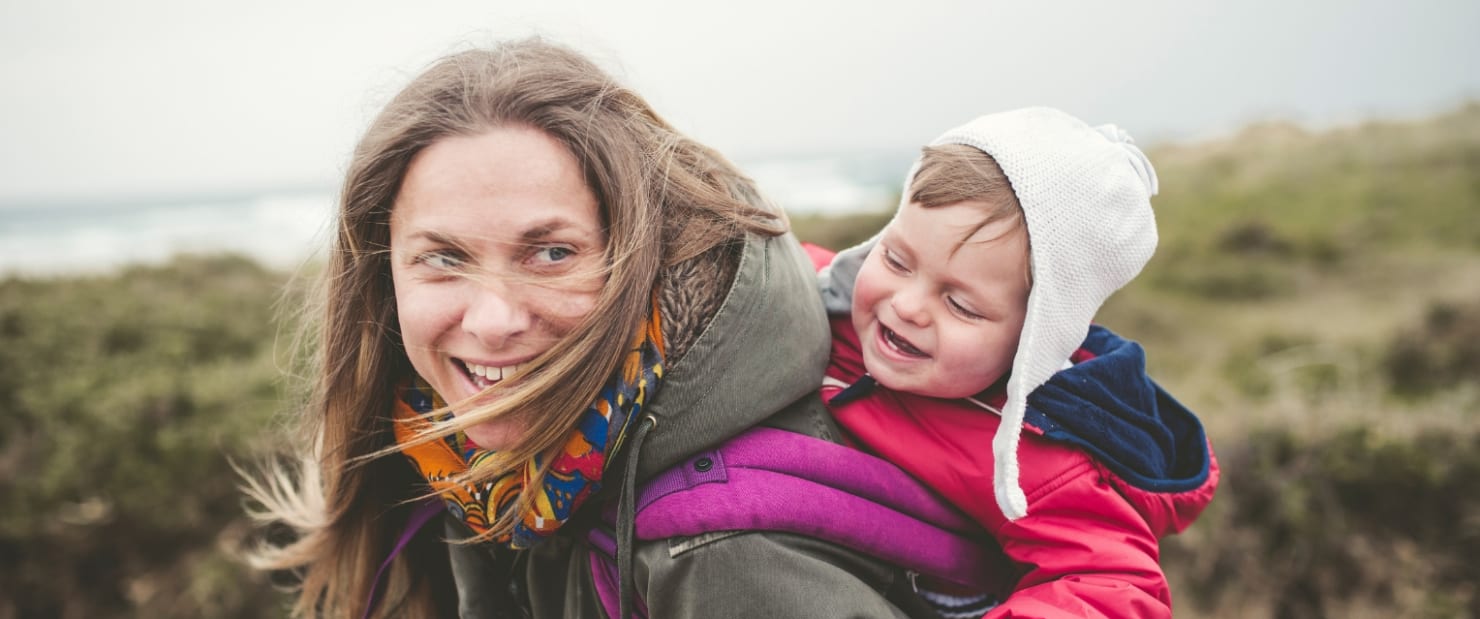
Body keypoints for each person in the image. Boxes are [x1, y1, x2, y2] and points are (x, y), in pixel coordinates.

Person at [244, 39, 947, 618]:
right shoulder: (474, 466)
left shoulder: (728, 559)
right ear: (382, 273)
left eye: (552, 253)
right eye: (443, 257)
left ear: (644, 256)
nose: (493, 321)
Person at [814, 107, 1220, 618]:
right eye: (896, 260)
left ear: (1033, 339)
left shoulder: (1041, 461)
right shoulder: (830, 306)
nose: (908, 305)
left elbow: (1110, 589)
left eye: (960, 304)